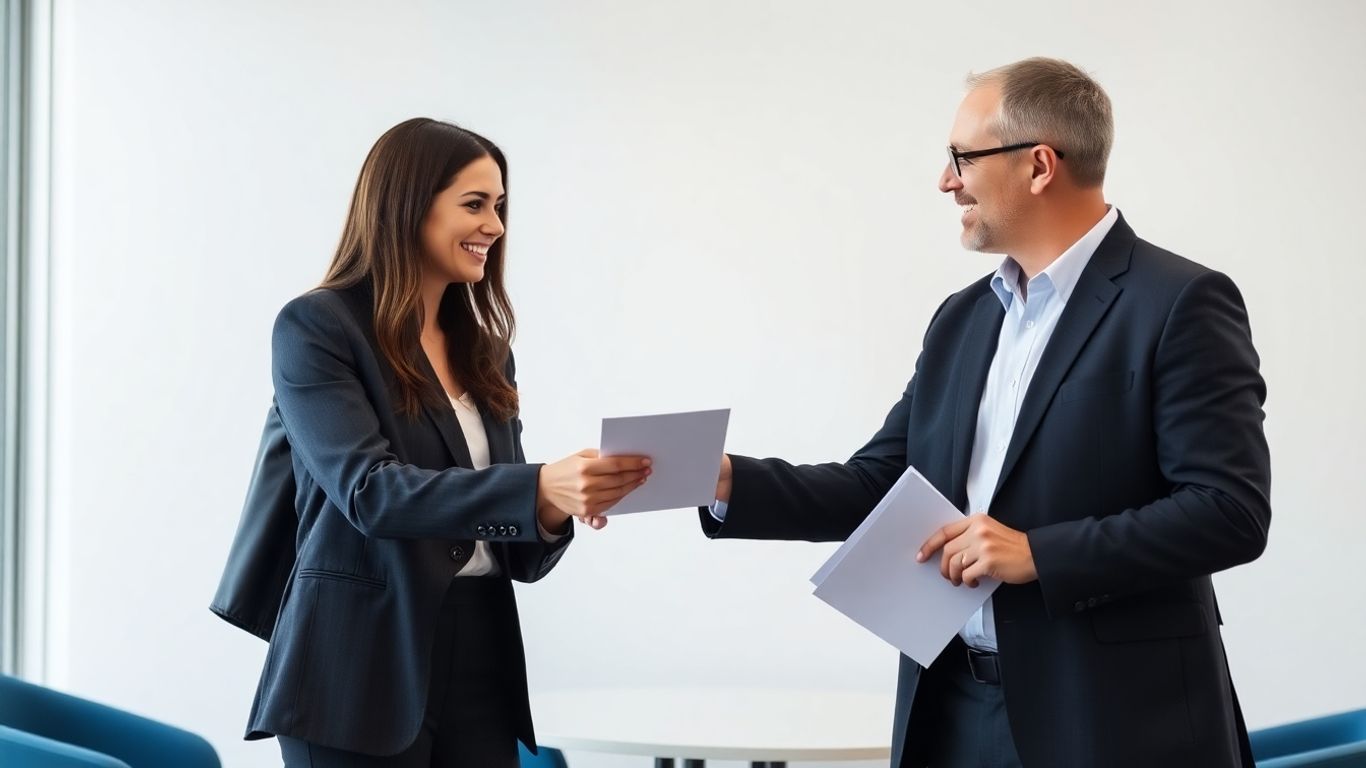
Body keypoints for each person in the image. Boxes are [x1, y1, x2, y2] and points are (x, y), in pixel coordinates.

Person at [693, 58, 1271, 767]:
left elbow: (1228, 511)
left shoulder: (1179, 302)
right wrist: (722, 479)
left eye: (961, 158)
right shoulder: (963, 319)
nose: (946, 180)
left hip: (1112, 720)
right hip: (953, 712)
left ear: (1039, 165)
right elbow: (882, 484)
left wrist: (1038, 553)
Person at [241, 117, 650, 767]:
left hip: (480, 647)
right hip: (357, 660)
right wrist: (536, 486)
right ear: (407, 206)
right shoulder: (317, 328)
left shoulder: (485, 350)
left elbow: (510, 537)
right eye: (475, 204)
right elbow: (369, 493)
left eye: (500, 206)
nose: (496, 226)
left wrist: (553, 507)